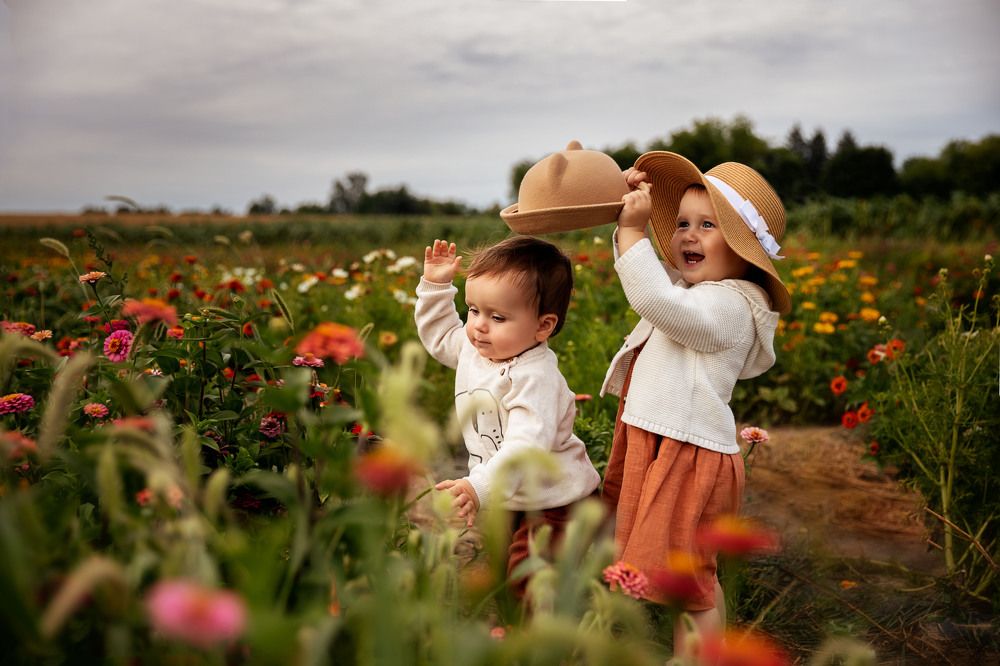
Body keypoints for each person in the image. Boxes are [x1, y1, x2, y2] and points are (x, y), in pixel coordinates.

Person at [600, 152, 790, 652]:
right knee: (677, 568)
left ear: (746, 250)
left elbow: (654, 299)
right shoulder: (699, 290)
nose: (687, 235)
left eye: (708, 225)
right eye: (682, 223)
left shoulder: (731, 304)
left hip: (688, 454)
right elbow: (653, 280)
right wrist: (627, 214)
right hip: (662, 438)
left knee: (693, 579)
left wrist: (634, 233)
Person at [414, 235, 601, 597]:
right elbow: (439, 337)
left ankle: (542, 646)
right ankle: (517, 631)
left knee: (532, 576)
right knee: (502, 571)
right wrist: (437, 287)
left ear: (543, 326)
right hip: (508, 493)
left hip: (554, 499)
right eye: (474, 310)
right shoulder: (477, 348)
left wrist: (477, 486)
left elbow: (525, 447)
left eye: (497, 316)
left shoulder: (537, 378)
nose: (479, 326)